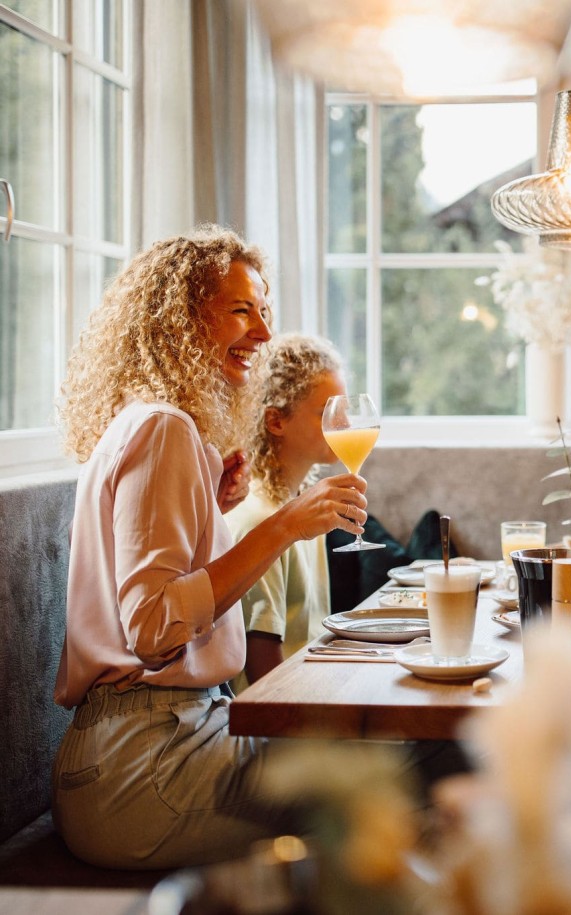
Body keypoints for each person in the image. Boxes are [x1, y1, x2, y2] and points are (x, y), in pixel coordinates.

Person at [52, 226, 373, 869]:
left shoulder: (153, 424)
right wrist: (281, 527)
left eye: (264, 310)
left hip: (146, 748)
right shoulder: (163, 428)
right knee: (392, 780)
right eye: (240, 310)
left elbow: (152, 587)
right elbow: (152, 630)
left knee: (381, 765)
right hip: (146, 768)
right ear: (180, 318)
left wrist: (212, 510)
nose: (262, 331)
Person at [227, 333, 346, 691]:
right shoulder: (260, 521)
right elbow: (265, 670)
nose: (344, 426)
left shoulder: (303, 509)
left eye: (345, 410)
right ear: (276, 421)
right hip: (277, 726)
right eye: (328, 413)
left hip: (313, 693)